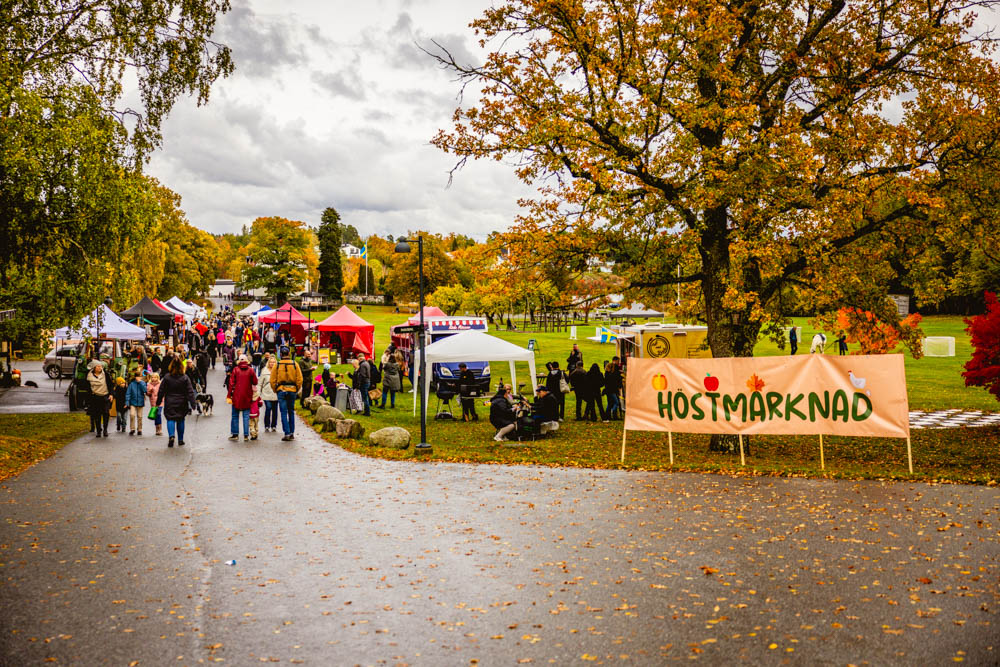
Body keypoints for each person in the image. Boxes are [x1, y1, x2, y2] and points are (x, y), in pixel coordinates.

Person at [156, 357, 196, 448]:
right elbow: (190, 391)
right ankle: (180, 440)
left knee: (170, 419)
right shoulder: (185, 378)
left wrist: (158, 402)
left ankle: (171, 436)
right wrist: (193, 404)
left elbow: (161, 390)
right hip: (182, 401)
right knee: (181, 419)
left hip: (170, 401)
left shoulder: (167, 377)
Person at [271, 345, 303, 441]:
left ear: (281, 354)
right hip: (292, 389)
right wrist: (296, 388)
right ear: (289, 354)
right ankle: (292, 432)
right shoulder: (295, 364)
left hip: (281, 390)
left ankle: (287, 432)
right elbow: (300, 379)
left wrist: (275, 389)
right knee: (291, 412)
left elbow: (272, 380)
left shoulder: (277, 365)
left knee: (283, 412)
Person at [228, 354, 257, 442]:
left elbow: (231, 383)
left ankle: (235, 434)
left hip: (236, 396)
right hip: (247, 395)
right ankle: (246, 435)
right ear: (247, 360)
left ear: (239, 361)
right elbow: (255, 381)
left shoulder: (235, 370)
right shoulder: (251, 370)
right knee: (246, 416)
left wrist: (229, 395)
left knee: (235, 415)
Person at [86, 361, 113, 437]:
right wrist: (89, 399)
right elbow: (88, 388)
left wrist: (111, 394)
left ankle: (105, 430)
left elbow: (110, 384)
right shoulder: (89, 376)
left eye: (101, 366)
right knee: (97, 415)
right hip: (95, 397)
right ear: (94, 367)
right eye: (98, 366)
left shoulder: (106, 375)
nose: (100, 368)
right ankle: (98, 431)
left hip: (105, 396)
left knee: (106, 413)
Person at [259, 357, 279, 433]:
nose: (272, 364)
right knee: (268, 408)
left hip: (275, 393)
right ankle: (267, 425)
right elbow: (260, 383)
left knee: (275, 410)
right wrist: (258, 393)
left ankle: (274, 425)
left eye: (274, 362)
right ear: (268, 363)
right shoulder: (264, 371)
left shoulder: (278, 371)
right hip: (266, 393)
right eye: (271, 362)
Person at [125, 370, 147, 436]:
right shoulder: (131, 384)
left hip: (140, 402)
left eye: (140, 377)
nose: (138, 378)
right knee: (132, 415)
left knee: (140, 416)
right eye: (137, 377)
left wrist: (140, 382)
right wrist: (127, 402)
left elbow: (145, 390)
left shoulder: (143, 383)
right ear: (135, 377)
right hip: (133, 402)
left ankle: (139, 429)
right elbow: (128, 393)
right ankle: (132, 429)